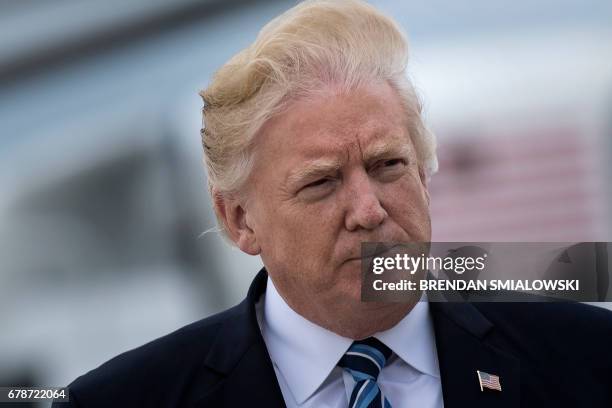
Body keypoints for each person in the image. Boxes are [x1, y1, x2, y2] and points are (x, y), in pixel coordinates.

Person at [53, 1, 612, 407]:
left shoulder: (588, 358)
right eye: (321, 182)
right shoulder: (121, 401)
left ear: (423, 172)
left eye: (387, 166)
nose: (368, 210)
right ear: (239, 220)